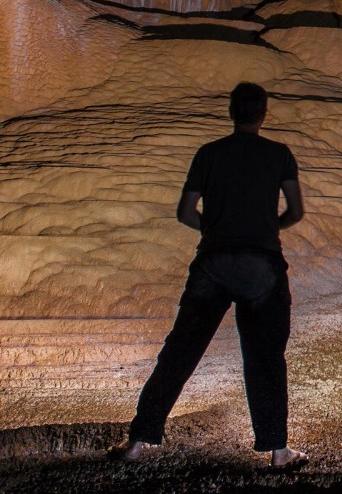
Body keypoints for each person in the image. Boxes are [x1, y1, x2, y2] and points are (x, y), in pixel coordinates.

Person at [111, 82, 307, 471]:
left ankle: (137, 443)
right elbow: (296, 210)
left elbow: (185, 212)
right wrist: (268, 229)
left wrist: (214, 231)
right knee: (265, 358)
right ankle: (277, 451)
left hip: (213, 265)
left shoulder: (208, 154)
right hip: (261, 267)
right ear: (263, 113)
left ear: (231, 112)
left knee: (180, 353)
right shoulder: (279, 154)